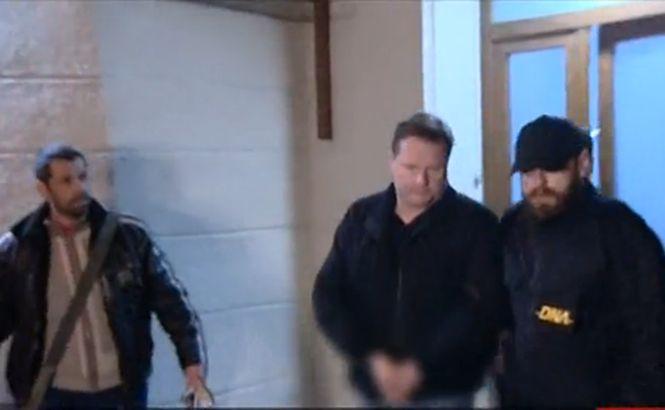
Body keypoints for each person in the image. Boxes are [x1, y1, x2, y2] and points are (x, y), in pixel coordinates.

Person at [312, 112, 508, 406]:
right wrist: (370, 356)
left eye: (434, 170)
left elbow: (483, 309)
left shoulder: (476, 225)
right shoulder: (361, 219)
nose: (421, 180)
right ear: (392, 162)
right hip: (375, 387)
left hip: (446, 390)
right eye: (410, 167)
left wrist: (419, 367)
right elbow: (328, 293)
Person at [0, 143, 208, 408]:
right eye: (66, 181)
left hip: (119, 390)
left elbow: (172, 305)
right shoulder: (19, 248)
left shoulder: (128, 239)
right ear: (44, 189)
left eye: (82, 177)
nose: (79, 187)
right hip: (50, 394)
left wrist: (192, 364)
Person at [500, 115, 665, 406]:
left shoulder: (620, 231)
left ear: (583, 164)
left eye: (551, 169)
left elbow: (652, 329)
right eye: (528, 173)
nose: (539, 184)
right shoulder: (512, 226)